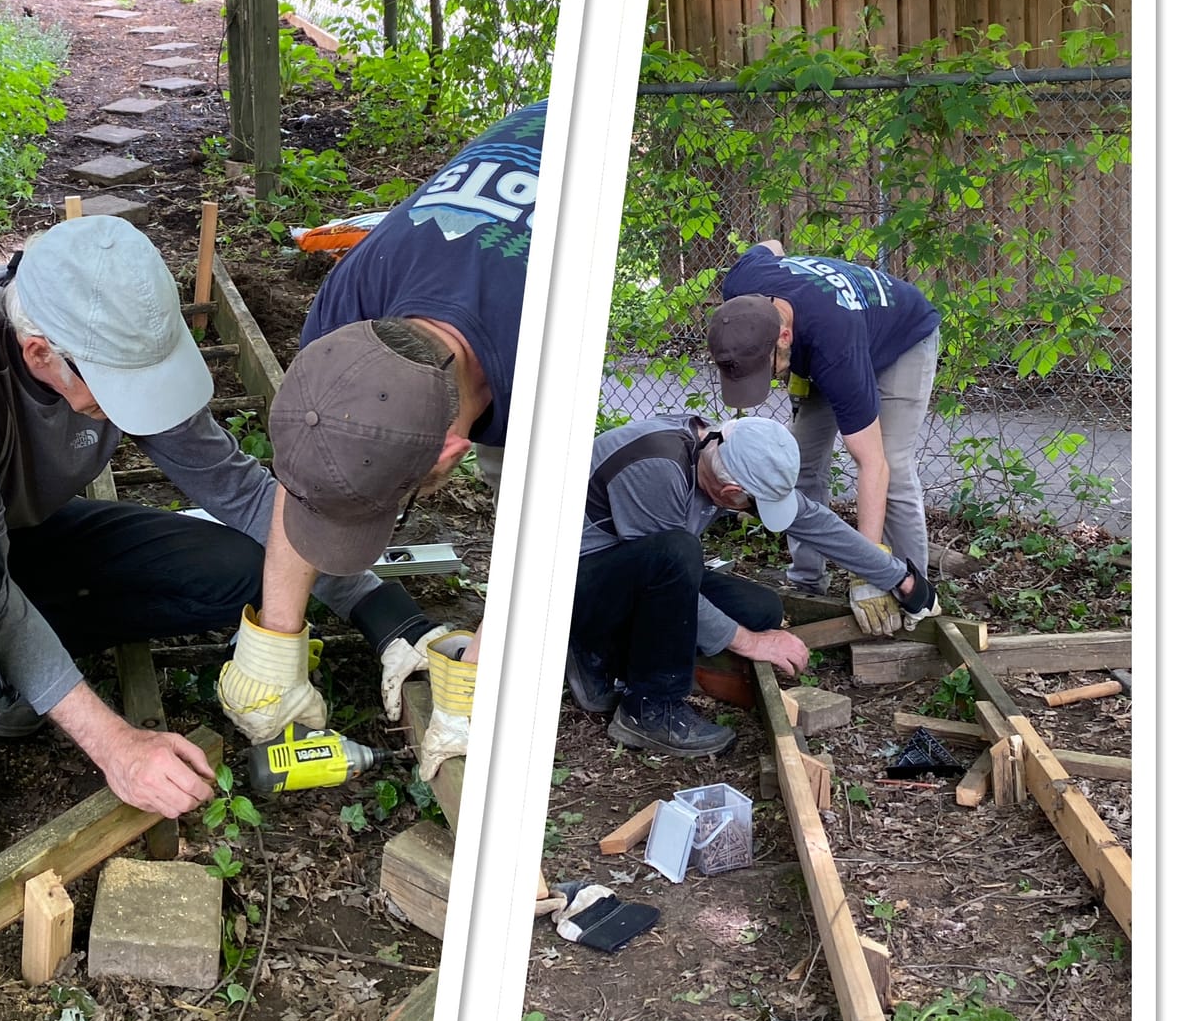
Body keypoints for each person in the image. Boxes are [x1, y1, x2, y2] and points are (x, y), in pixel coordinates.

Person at [0, 213, 455, 884]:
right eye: (119, 393)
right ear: (39, 355)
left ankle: (0, 671)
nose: (136, 407)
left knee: (246, 574)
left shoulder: (113, 331)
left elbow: (235, 489)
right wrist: (113, 742)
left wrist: (381, 610)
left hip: (8, 538)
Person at [246, 102, 546, 774]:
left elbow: (541, 537)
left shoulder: (553, 352)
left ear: (450, 451)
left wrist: (477, 686)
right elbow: (309, 470)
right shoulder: (345, 311)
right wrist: (275, 648)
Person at [566, 413, 937, 756]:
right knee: (678, 552)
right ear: (730, 494)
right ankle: (646, 707)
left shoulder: (725, 447)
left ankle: (621, 655)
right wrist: (753, 643)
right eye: (754, 506)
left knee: (761, 610)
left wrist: (898, 578)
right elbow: (663, 570)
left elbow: (813, 521)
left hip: (636, 574)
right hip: (572, 588)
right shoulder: (655, 468)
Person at [708, 241, 941, 636]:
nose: (768, 381)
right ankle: (806, 581)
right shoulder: (742, 287)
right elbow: (772, 245)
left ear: (784, 336)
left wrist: (869, 571)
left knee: (893, 464)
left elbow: (873, 463)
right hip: (826, 334)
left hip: (901, 338)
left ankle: (910, 592)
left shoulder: (835, 348)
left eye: (768, 371)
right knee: (798, 459)